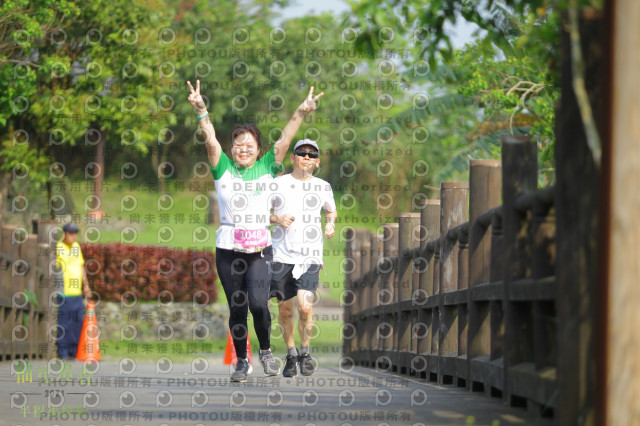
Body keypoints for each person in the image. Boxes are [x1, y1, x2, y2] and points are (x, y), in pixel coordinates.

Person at [186, 79, 324, 382]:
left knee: (259, 305)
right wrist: (201, 110)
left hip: (260, 248)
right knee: (237, 308)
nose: (243, 150)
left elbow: (285, 141)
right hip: (227, 248)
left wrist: (301, 112)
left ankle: (264, 351)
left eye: (249, 146)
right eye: (238, 145)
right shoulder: (221, 168)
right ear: (232, 149)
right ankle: (241, 361)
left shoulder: (266, 168)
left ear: (257, 149)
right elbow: (210, 140)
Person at [269, 139, 337, 377]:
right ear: (293, 158)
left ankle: (305, 352)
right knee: (285, 309)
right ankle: (290, 354)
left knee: (306, 308)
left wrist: (330, 224)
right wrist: (277, 219)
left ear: (317, 162)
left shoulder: (323, 186)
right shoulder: (278, 184)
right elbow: (259, 212)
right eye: (302, 153)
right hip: (280, 255)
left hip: (309, 257)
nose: (306, 157)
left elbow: (331, 210)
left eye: (311, 154)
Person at [55, 223, 91, 359]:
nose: (74, 236)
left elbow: (81, 266)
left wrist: (86, 285)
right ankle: (63, 352)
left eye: (75, 233)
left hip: (77, 293)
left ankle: (74, 351)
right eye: (71, 233)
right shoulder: (58, 247)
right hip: (64, 292)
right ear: (64, 234)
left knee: (77, 322)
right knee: (65, 323)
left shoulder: (76, 246)